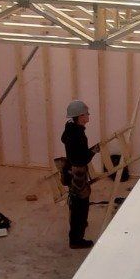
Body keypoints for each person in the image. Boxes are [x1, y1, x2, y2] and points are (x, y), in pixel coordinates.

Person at [60, 99, 95, 250]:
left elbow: (64, 140)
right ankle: (76, 240)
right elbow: (82, 158)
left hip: (71, 171)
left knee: (76, 203)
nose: (88, 115)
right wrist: (93, 151)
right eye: (86, 113)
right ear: (80, 116)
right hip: (78, 173)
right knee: (80, 206)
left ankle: (79, 228)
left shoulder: (70, 128)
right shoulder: (78, 135)